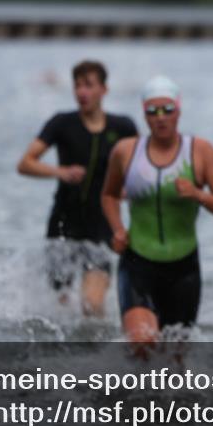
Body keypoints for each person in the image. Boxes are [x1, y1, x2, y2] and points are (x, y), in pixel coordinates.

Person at [101, 76, 213, 347]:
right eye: (152, 111)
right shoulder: (126, 151)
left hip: (183, 268)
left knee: (174, 359)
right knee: (142, 342)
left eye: (167, 110)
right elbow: (108, 195)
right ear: (144, 114)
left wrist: (199, 194)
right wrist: (117, 228)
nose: (160, 118)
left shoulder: (200, 151)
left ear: (178, 111)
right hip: (137, 262)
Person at [17, 60, 138, 316]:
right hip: (62, 230)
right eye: (78, 85)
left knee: (91, 306)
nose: (82, 92)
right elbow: (25, 163)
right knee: (58, 309)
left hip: (101, 232)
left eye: (89, 85)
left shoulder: (123, 127)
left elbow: (140, 168)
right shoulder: (62, 123)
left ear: (103, 90)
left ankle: (97, 355)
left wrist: (128, 188)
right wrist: (59, 172)